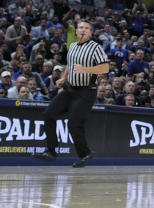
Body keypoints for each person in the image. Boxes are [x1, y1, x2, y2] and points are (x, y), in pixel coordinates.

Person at [32, 20, 109, 167]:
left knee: (74, 124)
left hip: (86, 91)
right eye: (80, 27)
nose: (83, 30)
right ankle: (51, 152)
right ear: (76, 31)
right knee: (48, 114)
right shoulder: (72, 46)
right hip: (70, 90)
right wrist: (63, 78)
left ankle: (85, 153)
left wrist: (86, 70)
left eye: (87, 28)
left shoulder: (95, 47)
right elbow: (70, 64)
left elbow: (105, 68)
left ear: (91, 32)